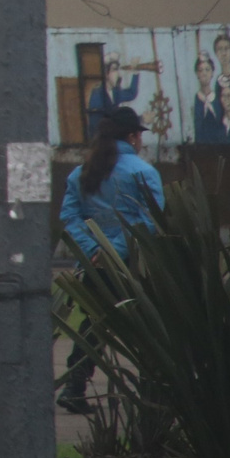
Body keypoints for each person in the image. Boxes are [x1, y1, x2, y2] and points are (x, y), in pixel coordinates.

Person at [57, 107, 165, 413]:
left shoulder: (82, 173)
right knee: (150, 329)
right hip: (136, 265)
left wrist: (93, 250)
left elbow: (70, 216)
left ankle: (73, 387)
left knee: (93, 325)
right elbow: (149, 221)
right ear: (132, 137)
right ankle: (153, 395)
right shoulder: (143, 172)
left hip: (94, 266)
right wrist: (114, 250)